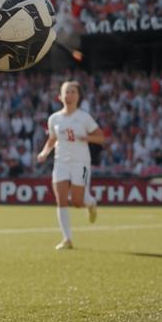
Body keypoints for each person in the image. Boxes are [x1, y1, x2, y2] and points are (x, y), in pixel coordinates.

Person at [35, 81, 105, 250]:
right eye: (66, 92)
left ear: (78, 96)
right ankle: (67, 239)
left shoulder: (84, 117)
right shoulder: (54, 118)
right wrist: (44, 153)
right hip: (61, 162)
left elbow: (100, 137)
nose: (69, 95)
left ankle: (91, 204)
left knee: (78, 201)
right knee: (61, 200)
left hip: (81, 163)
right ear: (60, 96)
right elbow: (52, 139)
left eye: (72, 92)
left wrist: (86, 138)